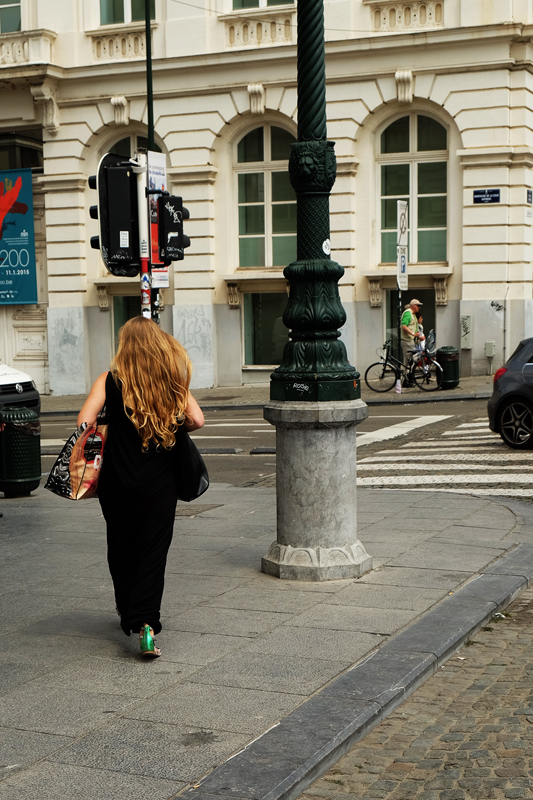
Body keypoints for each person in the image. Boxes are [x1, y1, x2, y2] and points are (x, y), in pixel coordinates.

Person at [78, 316, 205, 658]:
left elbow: (84, 423)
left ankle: (126, 607)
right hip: (159, 483)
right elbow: (197, 420)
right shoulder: (171, 380)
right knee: (153, 551)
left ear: (125, 346)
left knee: (121, 544)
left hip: (116, 481)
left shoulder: (109, 380)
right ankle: (146, 625)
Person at [400, 298, 425, 365]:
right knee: (410, 360)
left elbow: (414, 328)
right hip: (407, 340)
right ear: (413, 306)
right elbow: (404, 326)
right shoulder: (408, 313)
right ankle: (408, 374)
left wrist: (419, 339)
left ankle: (407, 373)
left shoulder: (413, 314)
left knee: (409, 360)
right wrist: (413, 334)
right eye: (418, 306)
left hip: (410, 340)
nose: (419, 308)